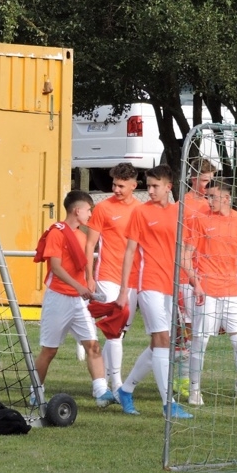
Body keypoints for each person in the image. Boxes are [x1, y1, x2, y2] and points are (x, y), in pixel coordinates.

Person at [181, 182, 237, 407]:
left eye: (213, 196)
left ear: (226, 198)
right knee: (200, 340)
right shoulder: (199, 220)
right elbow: (185, 257)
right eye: (207, 196)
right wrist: (196, 284)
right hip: (207, 291)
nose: (208, 200)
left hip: (231, 292)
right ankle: (194, 390)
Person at [114, 164, 193, 419]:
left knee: (157, 344)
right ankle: (168, 403)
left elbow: (183, 251)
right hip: (148, 284)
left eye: (155, 186)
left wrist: (195, 281)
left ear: (168, 187)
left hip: (170, 285)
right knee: (163, 340)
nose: (150, 190)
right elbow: (129, 252)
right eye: (148, 186)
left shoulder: (179, 212)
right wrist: (124, 290)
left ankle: (125, 390)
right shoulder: (141, 212)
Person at [33, 190, 114, 408]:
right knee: (49, 350)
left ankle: (101, 391)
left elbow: (84, 264)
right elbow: (56, 268)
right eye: (88, 210)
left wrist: (89, 280)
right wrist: (79, 286)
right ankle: (35, 391)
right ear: (77, 211)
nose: (90, 214)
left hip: (78, 300)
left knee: (93, 345)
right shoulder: (57, 233)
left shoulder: (82, 236)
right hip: (58, 298)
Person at [84, 162, 142, 399]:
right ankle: (116, 386)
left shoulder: (141, 209)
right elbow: (90, 244)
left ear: (133, 185)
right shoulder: (103, 208)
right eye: (114, 184)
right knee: (115, 331)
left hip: (133, 279)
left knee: (119, 333)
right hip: (108, 275)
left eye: (121, 186)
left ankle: (104, 381)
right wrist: (89, 276)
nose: (116, 189)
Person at [174, 158, 217, 399]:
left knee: (202, 332)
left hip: (209, 276)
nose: (208, 185)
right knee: (186, 330)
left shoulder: (214, 204)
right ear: (193, 179)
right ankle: (182, 379)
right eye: (204, 180)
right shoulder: (184, 205)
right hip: (186, 276)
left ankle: (190, 380)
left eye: (211, 180)